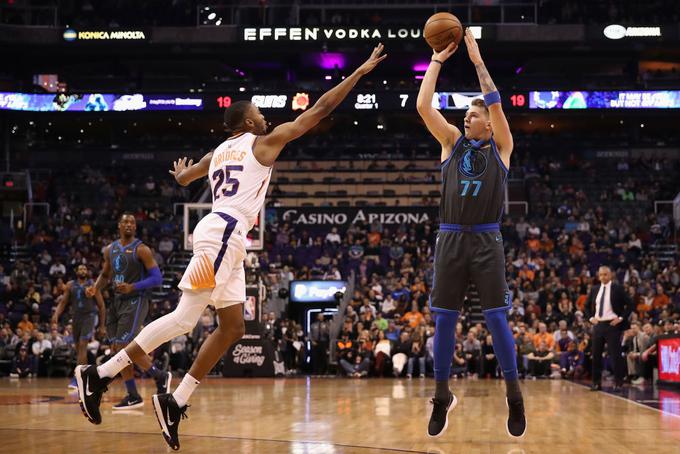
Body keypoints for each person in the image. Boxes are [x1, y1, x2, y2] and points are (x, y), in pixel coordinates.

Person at [74, 45, 386, 450]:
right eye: (257, 111)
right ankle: (99, 375)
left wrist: (182, 173)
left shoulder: (219, 151)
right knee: (185, 319)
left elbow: (186, 179)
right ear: (246, 120)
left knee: (233, 327)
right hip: (224, 232)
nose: (264, 115)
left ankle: (176, 399)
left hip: (227, 236)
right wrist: (358, 71)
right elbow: (321, 109)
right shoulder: (264, 142)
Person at [417, 29, 525, 438]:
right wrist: (437, 61)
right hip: (449, 238)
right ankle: (442, 394)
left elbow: (494, 101)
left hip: (486, 238)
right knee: (444, 321)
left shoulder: (502, 148)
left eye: (474, 114)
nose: (467, 117)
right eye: (466, 115)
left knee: (497, 319)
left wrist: (478, 61)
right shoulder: (451, 143)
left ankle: (513, 394)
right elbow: (423, 105)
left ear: (490, 123)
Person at [79, 213, 170, 410]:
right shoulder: (110, 249)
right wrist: (95, 288)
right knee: (119, 349)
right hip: (117, 301)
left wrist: (133, 287)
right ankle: (147, 385)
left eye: (132, 222)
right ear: (119, 226)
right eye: (125, 222)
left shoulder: (142, 249)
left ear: (135, 227)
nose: (129, 225)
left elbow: (157, 278)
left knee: (122, 345)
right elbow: (105, 275)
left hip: (136, 300)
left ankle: (147, 384)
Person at [52, 264, 106, 388]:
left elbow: (102, 306)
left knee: (82, 345)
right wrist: (56, 314)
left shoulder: (93, 285)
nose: (83, 270)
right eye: (80, 269)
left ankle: (78, 378)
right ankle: (85, 377)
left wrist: (102, 326)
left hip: (89, 317)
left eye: (85, 268)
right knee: (79, 350)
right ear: (76, 272)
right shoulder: (70, 285)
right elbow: (63, 302)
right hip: (76, 318)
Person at [585, 266, 633, 392]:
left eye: (605, 274)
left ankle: (618, 382)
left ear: (610, 275)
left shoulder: (618, 288)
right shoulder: (595, 289)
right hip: (598, 325)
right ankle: (596, 383)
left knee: (615, 355)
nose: (603, 277)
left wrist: (621, 318)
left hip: (612, 325)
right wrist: (590, 318)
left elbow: (630, 304)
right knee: (595, 355)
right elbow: (586, 306)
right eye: (601, 275)